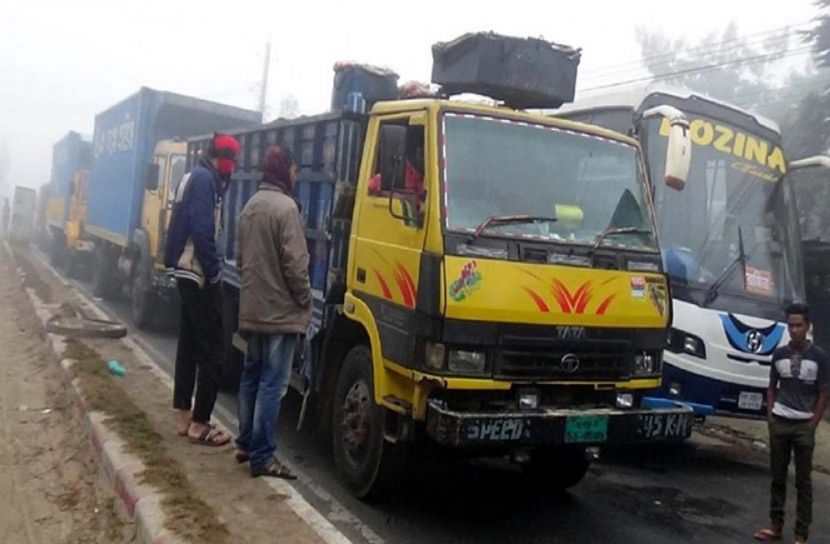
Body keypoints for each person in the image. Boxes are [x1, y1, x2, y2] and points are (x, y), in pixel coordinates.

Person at [234, 145, 311, 479]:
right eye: (294, 169)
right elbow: (295, 265)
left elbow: (240, 262)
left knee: (251, 375)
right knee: (272, 384)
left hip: (253, 309)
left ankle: (245, 444)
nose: (296, 175)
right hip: (280, 315)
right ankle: (263, 456)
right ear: (284, 170)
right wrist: (305, 298)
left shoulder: (249, 206)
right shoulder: (286, 209)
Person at [164, 133, 240, 447]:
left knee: (189, 344)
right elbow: (202, 229)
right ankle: (200, 424)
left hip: (184, 271)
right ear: (222, 158)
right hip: (198, 272)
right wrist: (214, 273)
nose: (233, 169)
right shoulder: (205, 181)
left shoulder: (193, 175)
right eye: (232, 161)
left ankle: (184, 416)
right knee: (213, 350)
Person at [755, 303, 829, 544]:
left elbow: (824, 393)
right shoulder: (779, 355)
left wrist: (813, 424)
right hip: (780, 422)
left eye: (799, 325)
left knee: (803, 482)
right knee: (777, 477)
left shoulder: (819, 357)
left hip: (803, 426)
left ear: (807, 326)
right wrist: (771, 418)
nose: (794, 330)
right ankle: (775, 526)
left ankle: (801, 535)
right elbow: (771, 387)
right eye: (790, 325)